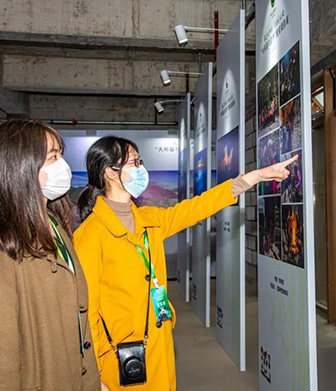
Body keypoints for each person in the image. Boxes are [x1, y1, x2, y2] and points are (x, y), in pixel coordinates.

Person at [74, 136, 296, 390]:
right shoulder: (90, 237)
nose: (140, 168)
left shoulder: (150, 220)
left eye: (140, 161)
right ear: (110, 173)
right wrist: (95, 375)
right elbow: (86, 314)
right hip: (119, 359)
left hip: (158, 345)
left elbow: (198, 207)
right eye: (134, 162)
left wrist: (255, 176)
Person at [0, 120, 102, 390]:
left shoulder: (54, 226)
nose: (63, 165)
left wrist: (92, 380)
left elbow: (77, 319)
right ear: (21, 166)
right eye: (53, 157)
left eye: (61, 155)